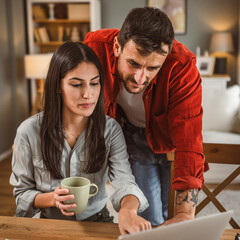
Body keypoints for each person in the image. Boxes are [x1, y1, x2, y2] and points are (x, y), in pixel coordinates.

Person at [10, 41, 151, 235]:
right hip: (48, 224)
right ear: (57, 86)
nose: (88, 94)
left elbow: (125, 181)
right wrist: (52, 199)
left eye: (94, 83)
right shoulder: (28, 131)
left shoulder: (110, 130)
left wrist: (128, 210)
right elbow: (22, 194)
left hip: (97, 222)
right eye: (76, 84)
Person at [84, 7, 205, 226]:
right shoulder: (95, 49)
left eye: (152, 68)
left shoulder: (183, 67)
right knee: (150, 217)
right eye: (134, 63)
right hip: (134, 138)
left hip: (172, 143)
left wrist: (185, 215)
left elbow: (189, 142)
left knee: (175, 216)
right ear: (117, 47)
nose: (140, 78)